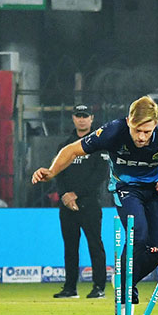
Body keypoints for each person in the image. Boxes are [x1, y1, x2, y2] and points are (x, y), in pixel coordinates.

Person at [32, 96, 158, 304]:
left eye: (147, 132)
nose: (141, 137)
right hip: (126, 188)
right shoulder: (113, 131)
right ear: (129, 121)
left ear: (155, 125)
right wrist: (51, 172)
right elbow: (72, 149)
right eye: (137, 130)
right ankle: (124, 285)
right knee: (139, 235)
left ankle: (127, 282)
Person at [52, 105, 108, 299]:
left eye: (85, 116)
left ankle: (99, 287)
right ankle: (70, 288)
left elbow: (100, 176)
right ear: (73, 118)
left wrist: (75, 194)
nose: (82, 119)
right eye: (78, 116)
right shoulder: (65, 146)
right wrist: (65, 195)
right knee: (70, 246)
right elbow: (57, 173)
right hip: (67, 205)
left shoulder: (99, 146)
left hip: (90, 203)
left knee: (95, 244)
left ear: (92, 118)